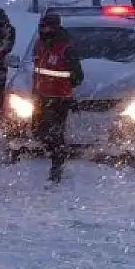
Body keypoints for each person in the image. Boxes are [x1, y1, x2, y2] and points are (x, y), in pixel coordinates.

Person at [31, 11, 84, 184]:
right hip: (41, 97)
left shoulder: (65, 47)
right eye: (42, 26)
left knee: (55, 133)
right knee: (38, 131)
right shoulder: (39, 44)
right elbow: (36, 68)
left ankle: (57, 164)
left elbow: (77, 76)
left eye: (46, 26)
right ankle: (57, 155)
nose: (43, 29)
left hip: (59, 98)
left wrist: (62, 85)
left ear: (54, 27)